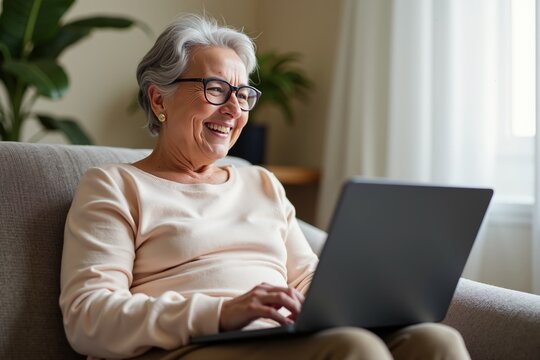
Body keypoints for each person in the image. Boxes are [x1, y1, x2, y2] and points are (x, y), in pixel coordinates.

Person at [59, 14, 471, 360]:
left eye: (242, 94)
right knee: (353, 349)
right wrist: (221, 312)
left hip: (273, 338)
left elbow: (307, 279)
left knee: (437, 341)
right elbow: (89, 316)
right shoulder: (113, 185)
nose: (234, 109)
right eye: (216, 89)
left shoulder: (260, 182)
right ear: (160, 99)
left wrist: (370, 298)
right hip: (184, 348)